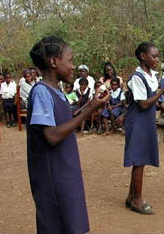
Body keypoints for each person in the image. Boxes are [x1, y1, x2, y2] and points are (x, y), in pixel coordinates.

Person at [27, 36, 109, 234]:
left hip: (65, 167)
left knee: (71, 219)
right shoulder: (41, 92)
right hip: (52, 173)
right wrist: (89, 111)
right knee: (57, 220)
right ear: (54, 62)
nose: (73, 66)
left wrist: (90, 104)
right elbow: (52, 135)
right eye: (70, 60)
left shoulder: (56, 90)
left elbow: (64, 120)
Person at [124, 42, 164, 215]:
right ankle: (137, 200)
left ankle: (132, 196)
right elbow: (144, 104)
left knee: (141, 160)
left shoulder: (152, 75)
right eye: (153, 56)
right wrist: (163, 91)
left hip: (145, 122)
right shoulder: (137, 78)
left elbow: (153, 101)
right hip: (138, 121)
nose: (156, 59)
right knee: (139, 160)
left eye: (157, 56)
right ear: (143, 57)